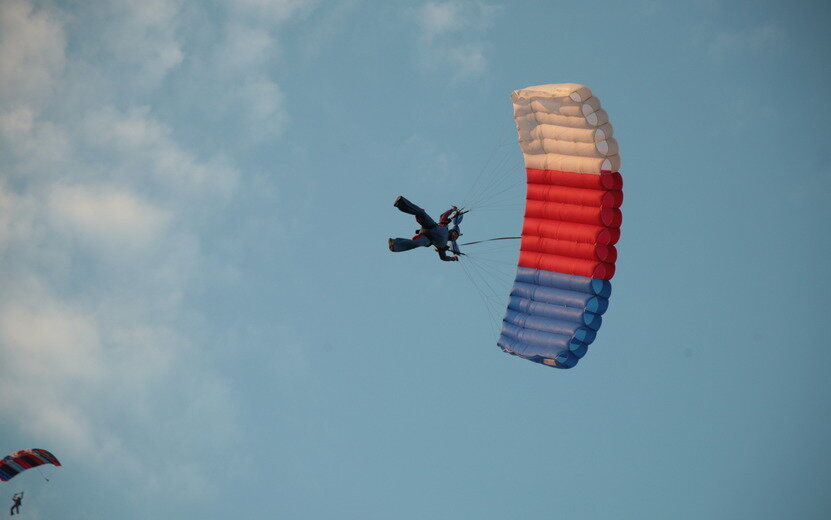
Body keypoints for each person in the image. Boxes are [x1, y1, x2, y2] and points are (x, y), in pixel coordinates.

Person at [388, 196, 463, 261]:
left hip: (426, 239)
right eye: (455, 233)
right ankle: (401, 203)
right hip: (429, 226)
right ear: (452, 230)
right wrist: (452, 210)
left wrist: (453, 258)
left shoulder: (443, 246)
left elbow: (443, 257)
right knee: (421, 213)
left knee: (417, 243)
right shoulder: (445, 226)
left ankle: (395, 244)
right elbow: (443, 216)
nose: (455, 235)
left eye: (456, 237)